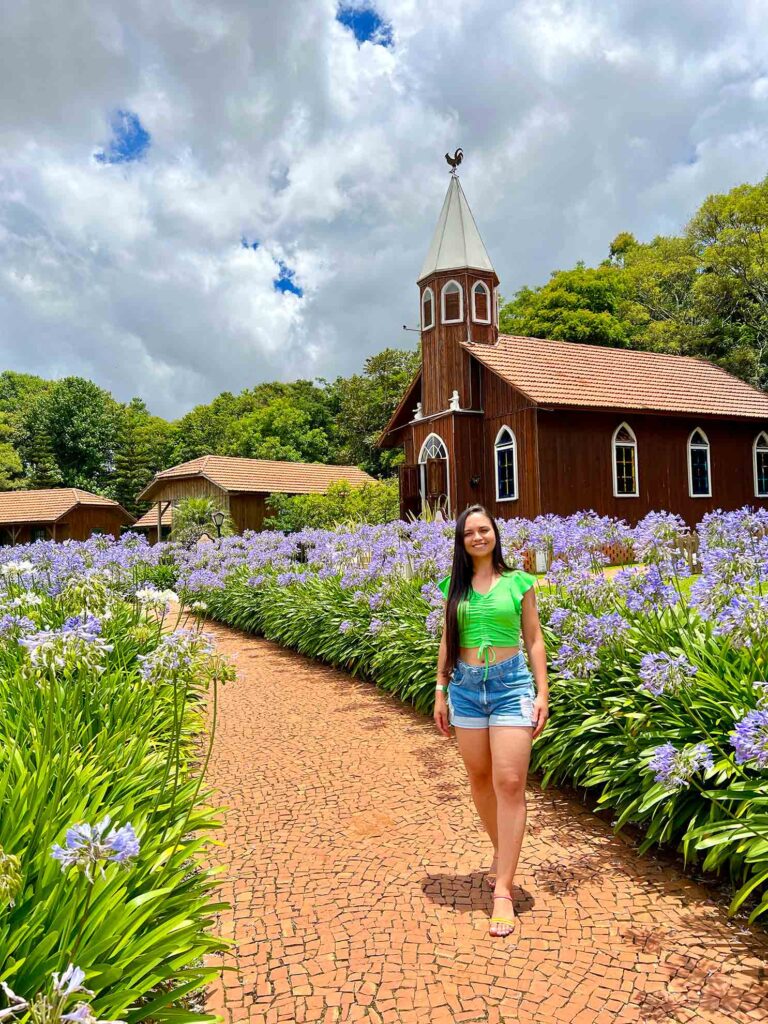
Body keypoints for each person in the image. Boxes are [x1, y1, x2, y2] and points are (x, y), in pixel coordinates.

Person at [433, 504, 549, 938]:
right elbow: (448, 640)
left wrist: (543, 692)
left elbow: (534, 638)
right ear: (462, 542)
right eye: (469, 533)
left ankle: (503, 889)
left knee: (510, 781)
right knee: (479, 777)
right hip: (465, 687)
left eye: (484, 530)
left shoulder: (520, 582)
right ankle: (504, 854)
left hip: (511, 686)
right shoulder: (454, 588)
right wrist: (440, 690)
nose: (478, 537)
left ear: (495, 534)